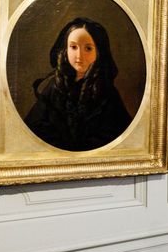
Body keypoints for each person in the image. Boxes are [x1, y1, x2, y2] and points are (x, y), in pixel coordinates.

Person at [24, 17, 132, 151]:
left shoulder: (106, 91)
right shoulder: (55, 84)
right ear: (65, 50)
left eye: (88, 48)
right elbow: (34, 126)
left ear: (98, 52)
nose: (79, 55)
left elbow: (116, 135)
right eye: (73, 47)